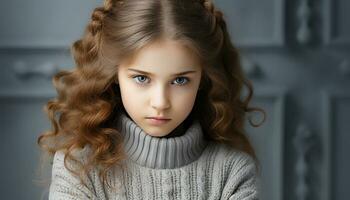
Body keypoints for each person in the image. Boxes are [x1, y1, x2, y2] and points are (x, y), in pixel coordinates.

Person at [37, 0, 266, 199]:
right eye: (141, 78)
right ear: (113, 74)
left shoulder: (233, 173)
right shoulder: (79, 169)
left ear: (204, 80)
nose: (160, 102)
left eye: (180, 81)